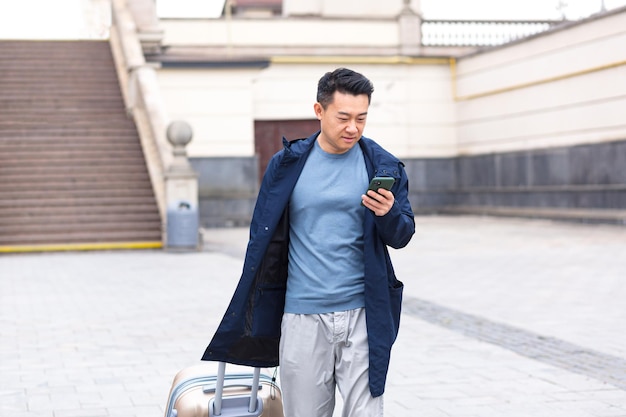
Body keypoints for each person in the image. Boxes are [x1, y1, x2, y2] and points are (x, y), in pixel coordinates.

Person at [202, 68, 415, 417]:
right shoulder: (287, 165)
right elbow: (261, 237)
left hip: (364, 312)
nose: (353, 128)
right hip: (302, 315)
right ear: (319, 111)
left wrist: (388, 214)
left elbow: (403, 234)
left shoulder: (381, 165)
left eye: (362, 118)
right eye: (343, 117)